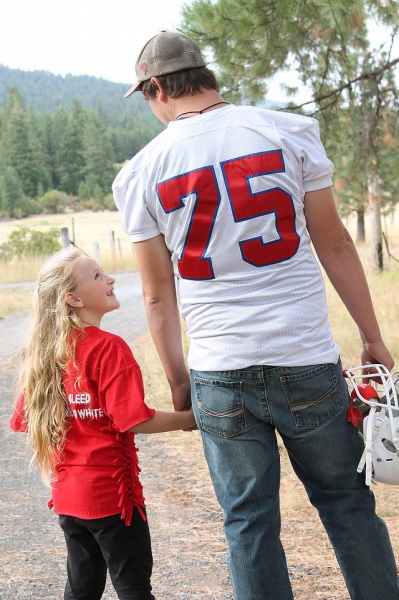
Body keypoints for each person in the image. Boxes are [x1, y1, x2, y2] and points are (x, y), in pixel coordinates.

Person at [112, 30, 399, 600]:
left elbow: (156, 295)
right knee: (346, 504)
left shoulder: (141, 172)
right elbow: (335, 245)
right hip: (305, 356)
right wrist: (373, 338)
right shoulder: (287, 131)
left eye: (147, 96)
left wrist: (179, 384)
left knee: (248, 523)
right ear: (206, 75)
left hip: (220, 368)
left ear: (159, 87)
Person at [9, 246, 195, 600]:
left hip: (68, 498)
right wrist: (194, 418)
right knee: (134, 588)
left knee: (82, 588)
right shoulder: (108, 348)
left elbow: (24, 420)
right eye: (97, 276)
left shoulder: (45, 352)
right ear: (73, 299)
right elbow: (134, 420)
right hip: (113, 499)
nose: (110, 280)